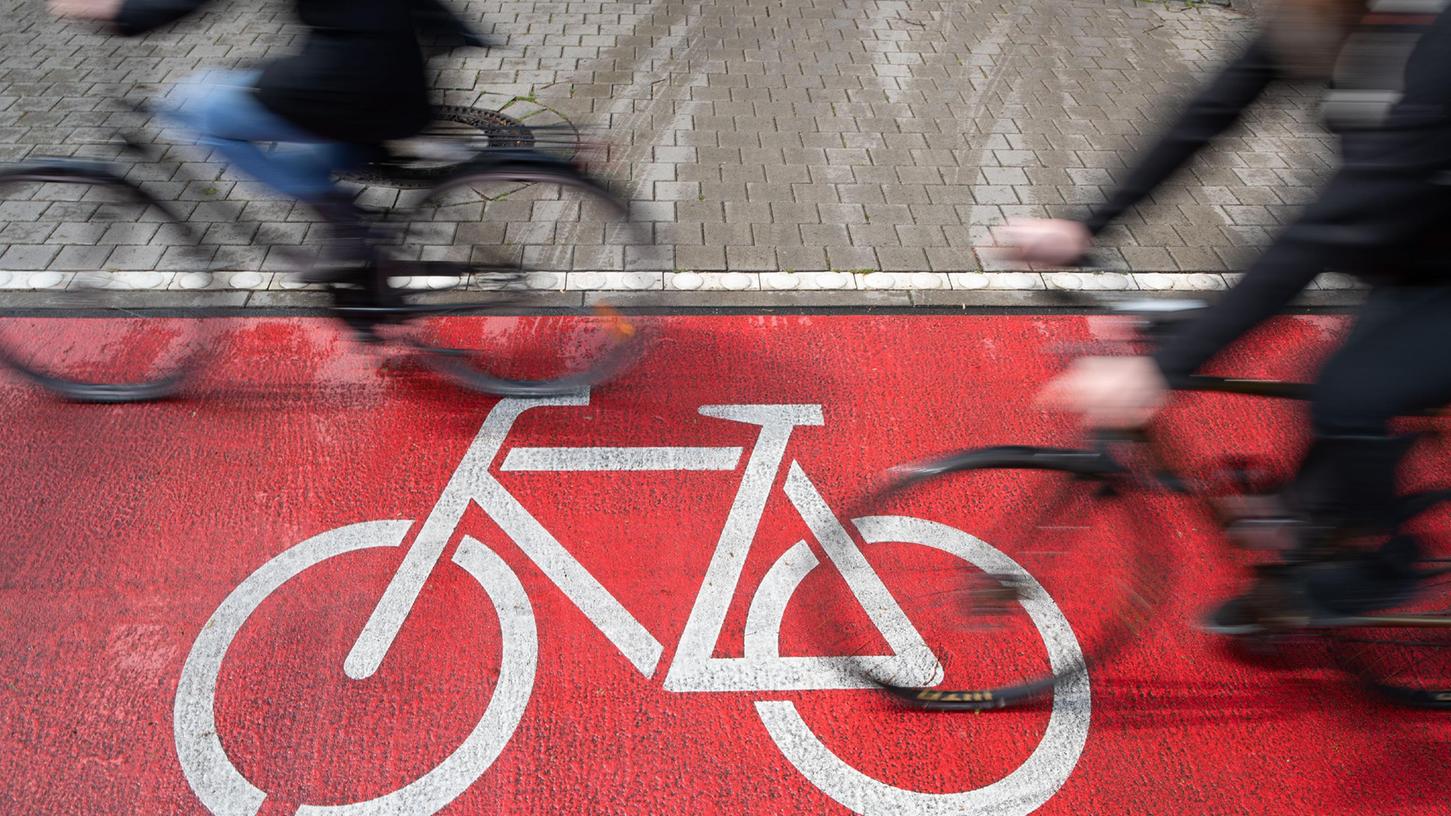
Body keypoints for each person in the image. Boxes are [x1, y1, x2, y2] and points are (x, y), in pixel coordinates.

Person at [997, 0, 1451, 632]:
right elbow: (1207, 113)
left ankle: (1387, 563)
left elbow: (1327, 228)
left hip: (1432, 275)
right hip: (1413, 258)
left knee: (1349, 392)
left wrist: (1162, 371)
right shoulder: (1325, 20)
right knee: (1319, 426)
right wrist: (1086, 224)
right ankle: (1295, 584)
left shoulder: (1434, 47)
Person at [49, 0, 486, 282]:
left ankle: (345, 224)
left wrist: (117, 12)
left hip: (357, 81)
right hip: (397, 73)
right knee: (237, 86)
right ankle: (351, 227)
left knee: (197, 107)